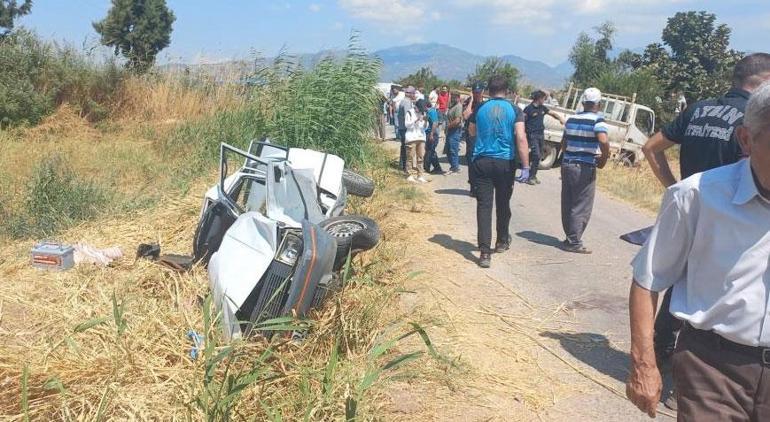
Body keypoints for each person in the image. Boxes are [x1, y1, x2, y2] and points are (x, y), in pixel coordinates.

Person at [626, 80, 770, 420]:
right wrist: (644, 363)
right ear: (746, 139)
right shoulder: (696, 196)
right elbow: (648, 280)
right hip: (714, 370)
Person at [467, 75, 529, 268]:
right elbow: (520, 137)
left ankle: (485, 253)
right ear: (507, 91)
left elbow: (471, 132)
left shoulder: (480, 108)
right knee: (503, 203)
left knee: (484, 206)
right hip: (505, 163)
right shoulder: (514, 109)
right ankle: (502, 241)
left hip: (482, 161)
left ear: (488, 90)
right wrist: (526, 166)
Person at [559, 87, 610, 254]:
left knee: (568, 202)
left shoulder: (571, 118)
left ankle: (569, 237)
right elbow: (603, 140)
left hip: (568, 163)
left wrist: (565, 159)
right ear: (599, 104)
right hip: (584, 166)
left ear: (583, 102)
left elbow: (564, 142)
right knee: (581, 204)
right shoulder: (598, 121)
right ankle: (573, 241)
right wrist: (603, 158)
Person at [522, 90, 565, 185]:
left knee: (539, 155)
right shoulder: (528, 109)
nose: (544, 100)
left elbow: (552, 113)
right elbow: (522, 120)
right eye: (543, 98)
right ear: (539, 98)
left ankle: (532, 174)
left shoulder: (542, 108)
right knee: (536, 155)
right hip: (532, 135)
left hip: (541, 134)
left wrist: (560, 119)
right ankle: (530, 177)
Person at [464, 82, 486, 196]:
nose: (476, 94)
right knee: (471, 161)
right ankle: (473, 186)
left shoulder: (485, 104)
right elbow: (466, 116)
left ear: (482, 92)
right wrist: (471, 100)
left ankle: (479, 185)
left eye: (478, 92)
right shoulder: (469, 102)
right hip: (471, 136)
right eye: (474, 92)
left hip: (482, 136)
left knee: (481, 162)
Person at [404, 99, 429, 183]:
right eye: (420, 109)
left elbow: (425, 128)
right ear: (416, 107)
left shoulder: (423, 113)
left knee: (421, 157)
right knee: (410, 157)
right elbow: (407, 125)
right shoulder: (410, 112)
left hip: (421, 137)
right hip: (411, 138)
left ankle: (420, 175)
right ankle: (409, 175)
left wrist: (425, 121)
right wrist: (416, 120)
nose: (421, 111)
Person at [397, 86, 416, 172]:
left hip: (401, 127)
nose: (414, 95)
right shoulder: (407, 102)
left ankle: (402, 165)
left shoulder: (403, 101)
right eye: (414, 93)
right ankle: (406, 167)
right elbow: (407, 116)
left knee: (403, 147)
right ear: (410, 94)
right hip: (405, 128)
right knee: (407, 148)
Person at [423, 99, 444, 174]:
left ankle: (427, 168)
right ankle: (437, 168)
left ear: (425, 106)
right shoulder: (429, 112)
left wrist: (431, 134)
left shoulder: (432, 112)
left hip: (432, 134)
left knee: (429, 152)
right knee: (430, 151)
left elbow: (435, 123)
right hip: (429, 133)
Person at [445, 92, 464, 174]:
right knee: (448, 150)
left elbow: (457, 120)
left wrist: (448, 126)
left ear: (458, 97)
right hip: (451, 130)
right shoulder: (453, 106)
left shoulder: (458, 106)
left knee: (453, 149)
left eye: (455, 97)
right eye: (452, 97)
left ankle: (455, 167)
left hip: (455, 130)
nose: (453, 98)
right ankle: (453, 166)